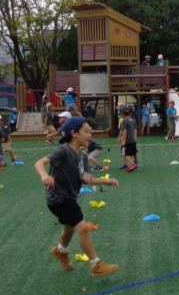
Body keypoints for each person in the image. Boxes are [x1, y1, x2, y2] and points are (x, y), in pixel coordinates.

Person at [35, 117, 119, 277]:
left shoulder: (82, 156)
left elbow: (85, 178)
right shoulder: (63, 151)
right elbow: (39, 163)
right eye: (86, 132)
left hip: (69, 197)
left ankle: (60, 251)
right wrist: (44, 175)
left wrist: (106, 181)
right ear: (74, 133)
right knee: (83, 229)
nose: (90, 136)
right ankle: (96, 264)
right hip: (59, 199)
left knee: (69, 228)